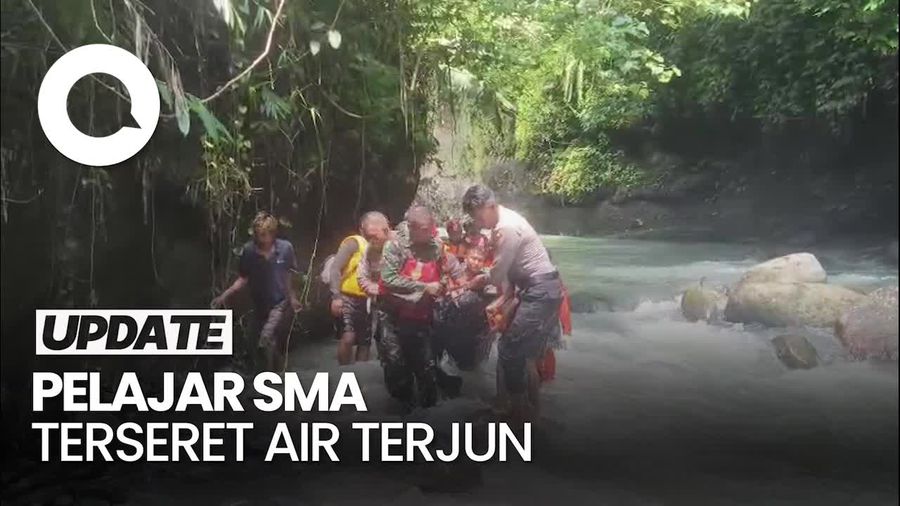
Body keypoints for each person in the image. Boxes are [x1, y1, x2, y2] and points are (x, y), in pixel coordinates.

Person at [462, 184, 562, 423]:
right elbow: (508, 274)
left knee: (510, 349)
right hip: (542, 289)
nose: (477, 222)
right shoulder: (503, 221)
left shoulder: (506, 228)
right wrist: (504, 298)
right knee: (526, 356)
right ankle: (532, 412)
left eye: (477, 216)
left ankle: (517, 411)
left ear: (489, 206)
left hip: (539, 291)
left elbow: (497, 274)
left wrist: (482, 279)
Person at [378, 206, 465, 409]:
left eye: (431, 229)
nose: (430, 234)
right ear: (412, 228)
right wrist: (424, 287)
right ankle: (399, 412)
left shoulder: (436, 246)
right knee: (395, 363)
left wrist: (444, 285)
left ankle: (430, 415)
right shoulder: (395, 245)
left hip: (420, 313)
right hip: (392, 313)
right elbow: (388, 279)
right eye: (425, 230)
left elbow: (444, 270)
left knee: (426, 365)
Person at [211, 211, 301, 372]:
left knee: (265, 338)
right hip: (259, 304)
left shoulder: (285, 248)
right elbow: (243, 278)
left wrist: (293, 298)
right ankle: (278, 370)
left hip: (279, 303)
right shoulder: (249, 251)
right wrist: (224, 296)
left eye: (264, 235)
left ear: (272, 234)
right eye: (258, 235)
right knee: (255, 342)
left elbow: (287, 275)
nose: (261, 239)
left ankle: (270, 376)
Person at [328, 212, 391, 365]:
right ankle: (342, 373)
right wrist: (336, 297)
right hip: (347, 297)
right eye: (370, 233)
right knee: (348, 336)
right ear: (362, 230)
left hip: (367, 300)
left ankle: (360, 376)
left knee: (365, 341)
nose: (374, 237)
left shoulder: (385, 246)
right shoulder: (354, 243)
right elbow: (335, 268)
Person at [435, 246, 496, 372]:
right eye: (473, 258)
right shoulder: (456, 271)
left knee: (467, 366)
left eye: (480, 260)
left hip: (473, 326)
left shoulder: (484, 279)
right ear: (466, 258)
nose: (476, 262)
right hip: (450, 320)